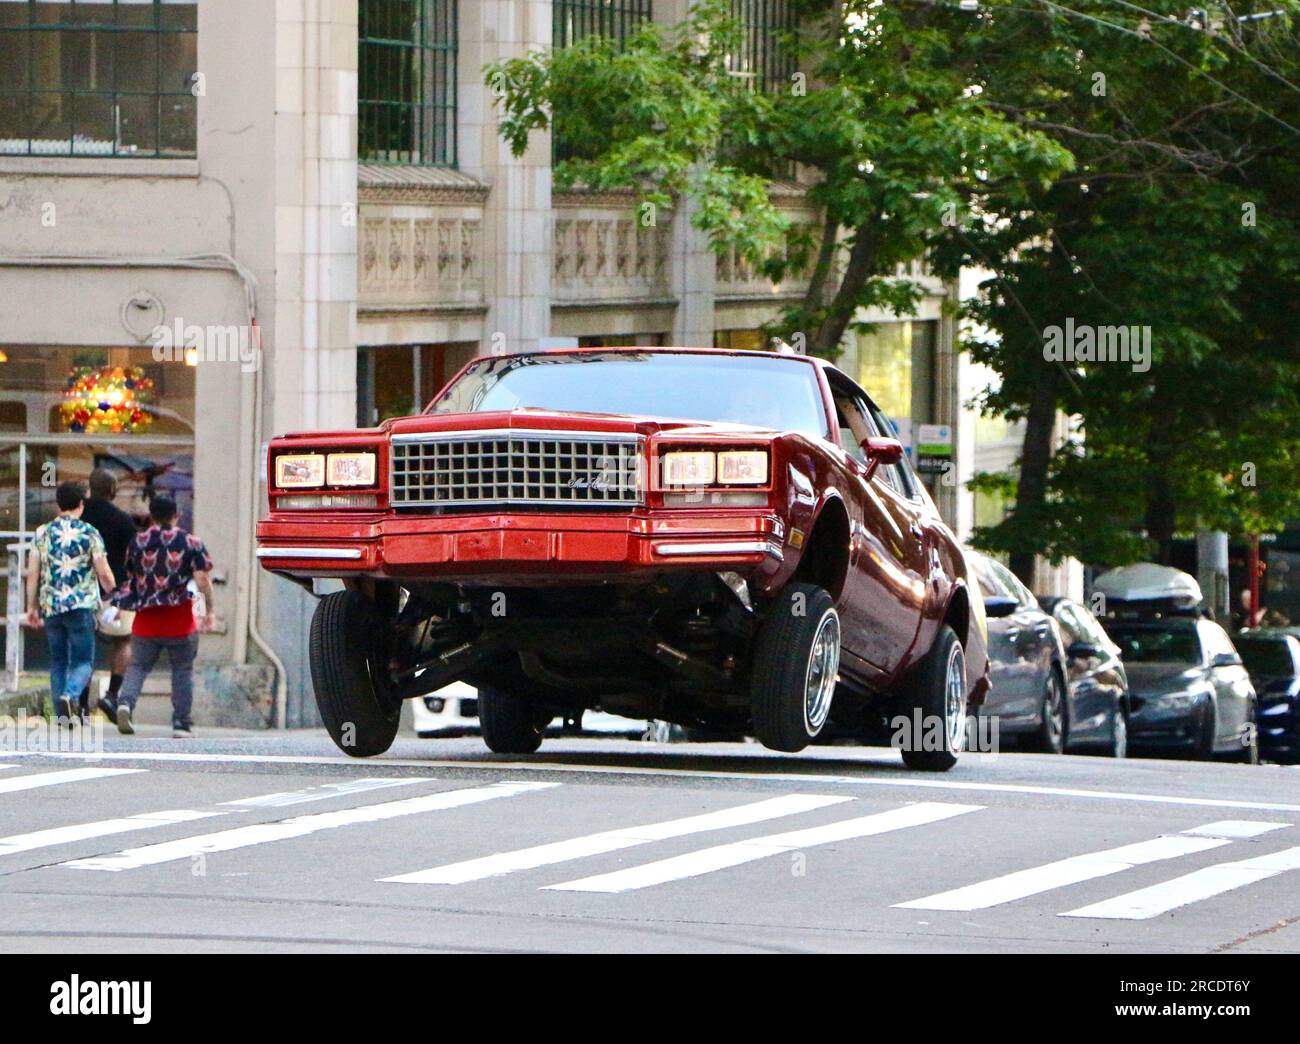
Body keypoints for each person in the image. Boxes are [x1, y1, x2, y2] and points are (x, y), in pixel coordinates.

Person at [105, 496, 216, 739]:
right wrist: (207, 612)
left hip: (146, 619)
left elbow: (131, 576)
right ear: (177, 514)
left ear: (151, 516)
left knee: (138, 666)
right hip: (181, 619)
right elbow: (201, 580)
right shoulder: (191, 542)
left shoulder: (138, 541)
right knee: (182, 670)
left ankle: (125, 704)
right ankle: (181, 724)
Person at [24, 481, 118, 726]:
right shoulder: (90, 533)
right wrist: (114, 593)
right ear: (81, 505)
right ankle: (71, 693)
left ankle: (61, 714)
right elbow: (104, 572)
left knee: (58, 661)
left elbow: (32, 572)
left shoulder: (42, 533)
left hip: (51, 606)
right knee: (83, 661)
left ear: (58, 504)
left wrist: (31, 606)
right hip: (81, 605)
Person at [77, 467, 138, 722]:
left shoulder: (79, 517)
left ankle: (80, 702)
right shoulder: (123, 520)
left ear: (91, 488)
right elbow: (133, 558)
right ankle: (112, 695)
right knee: (123, 640)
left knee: (83, 646)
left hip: (79, 590)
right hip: (115, 593)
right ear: (113, 490)